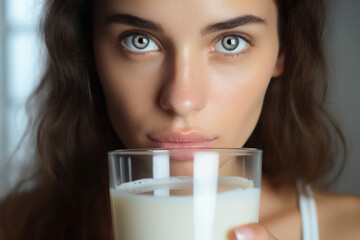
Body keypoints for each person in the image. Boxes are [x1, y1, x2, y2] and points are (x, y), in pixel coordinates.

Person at [1, 0, 359, 239]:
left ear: (282, 52)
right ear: (89, 50)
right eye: (139, 41)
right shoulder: (14, 226)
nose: (180, 100)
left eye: (231, 42)